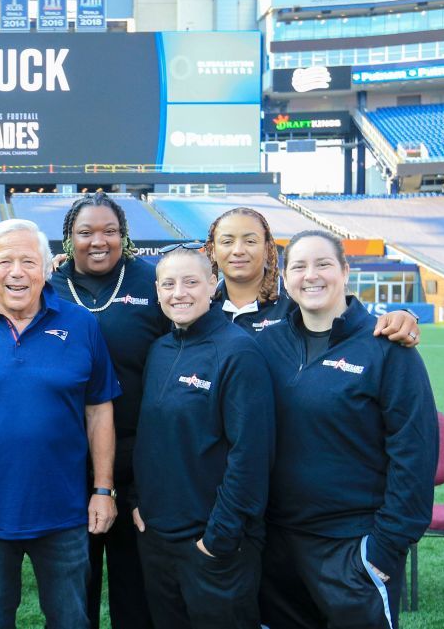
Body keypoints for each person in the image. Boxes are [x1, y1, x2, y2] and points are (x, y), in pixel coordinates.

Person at [0, 219, 121, 629]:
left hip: (65, 512)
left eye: (28, 261)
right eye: (4, 261)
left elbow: (99, 411)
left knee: (71, 620)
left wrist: (103, 489)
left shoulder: (81, 324)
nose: (16, 272)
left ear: (46, 269)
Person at [255, 230, 437, 629]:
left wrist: (385, 547)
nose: (311, 275)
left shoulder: (387, 347)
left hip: (353, 545)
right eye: (299, 266)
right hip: (278, 545)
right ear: (285, 278)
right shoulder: (264, 346)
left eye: (323, 264)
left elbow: (414, 453)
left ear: (345, 271)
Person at [131, 245, 273, 629]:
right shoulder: (160, 349)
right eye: (169, 284)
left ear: (213, 284)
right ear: (157, 290)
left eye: (191, 282)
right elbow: (152, 438)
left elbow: (250, 455)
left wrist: (218, 539)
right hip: (158, 538)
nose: (180, 293)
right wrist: (140, 503)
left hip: (213, 546)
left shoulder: (237, 352)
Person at [49, 192, 166, 629]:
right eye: (85, 232)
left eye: (110, 231)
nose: (98, 241)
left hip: (140, 460)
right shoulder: (49, 287)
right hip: (68, 463)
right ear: (68, 240)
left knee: (136, 596)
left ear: (124, 236)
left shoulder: (152, 282)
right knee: (72, 595)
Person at [203, 207, 421, 344]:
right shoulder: (200, 304)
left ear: (268, 248)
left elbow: (353, 325)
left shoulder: (298, 296)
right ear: (212, 249)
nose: (238, 250)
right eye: (227, 241)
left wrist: (404, 316)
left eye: (250, 241)